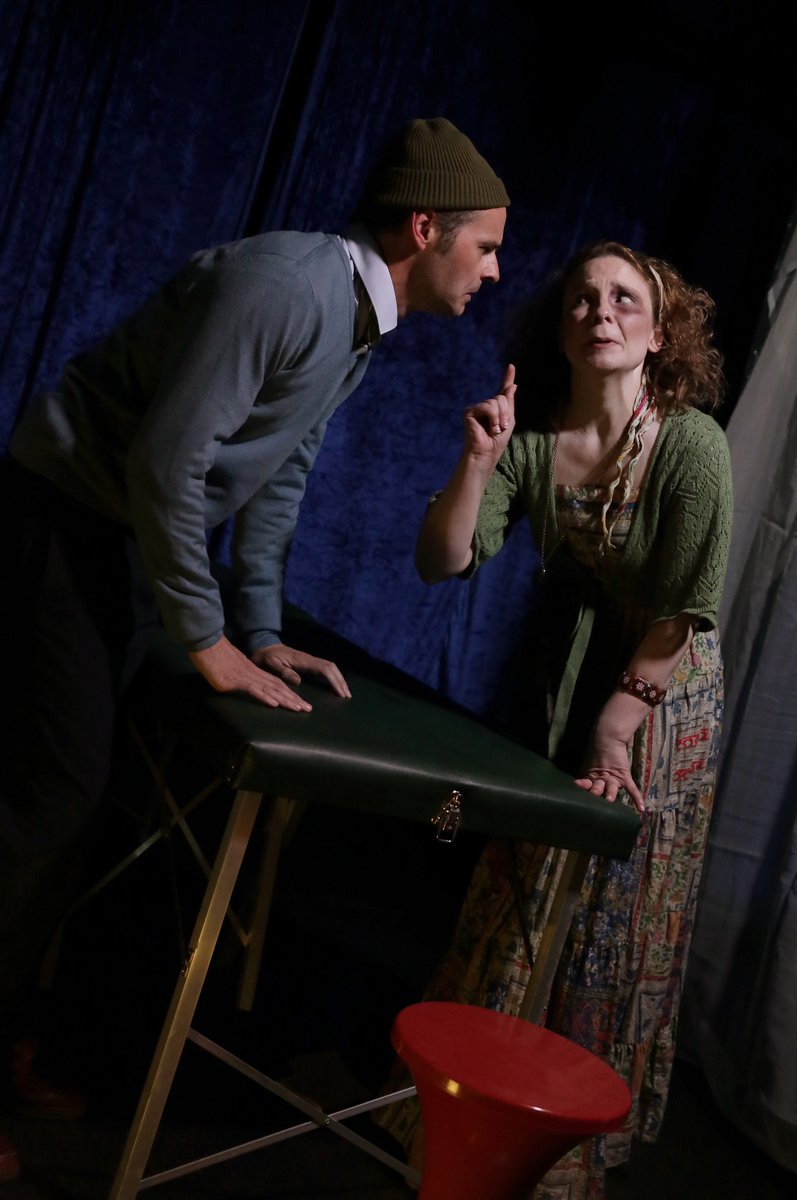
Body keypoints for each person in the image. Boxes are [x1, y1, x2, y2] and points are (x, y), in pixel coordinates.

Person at [0, 116, 509, 1183]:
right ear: (426, 229)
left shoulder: (357, 322)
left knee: (90, 809)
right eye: (487, 246)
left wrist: (260, 632)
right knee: (52, 803)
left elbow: (278, 477)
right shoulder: (290, 287)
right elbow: (166, 462)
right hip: (66, 518)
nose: (496, 270)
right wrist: (206, 639)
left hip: (127, 545)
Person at [378, 240, 732, 1199]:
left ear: (659, 335)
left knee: (614, 910)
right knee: (523, 885)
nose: (599, 312)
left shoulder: (692, 445)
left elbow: (679, 613)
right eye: (581, 299)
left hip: (659, 694)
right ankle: (465, 1120)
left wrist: (616, 730)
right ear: (561, 329)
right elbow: (441, 559)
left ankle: (559, 1163)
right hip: (569, 683)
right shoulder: (532, 444)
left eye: (623, 299)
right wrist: (476, 462)